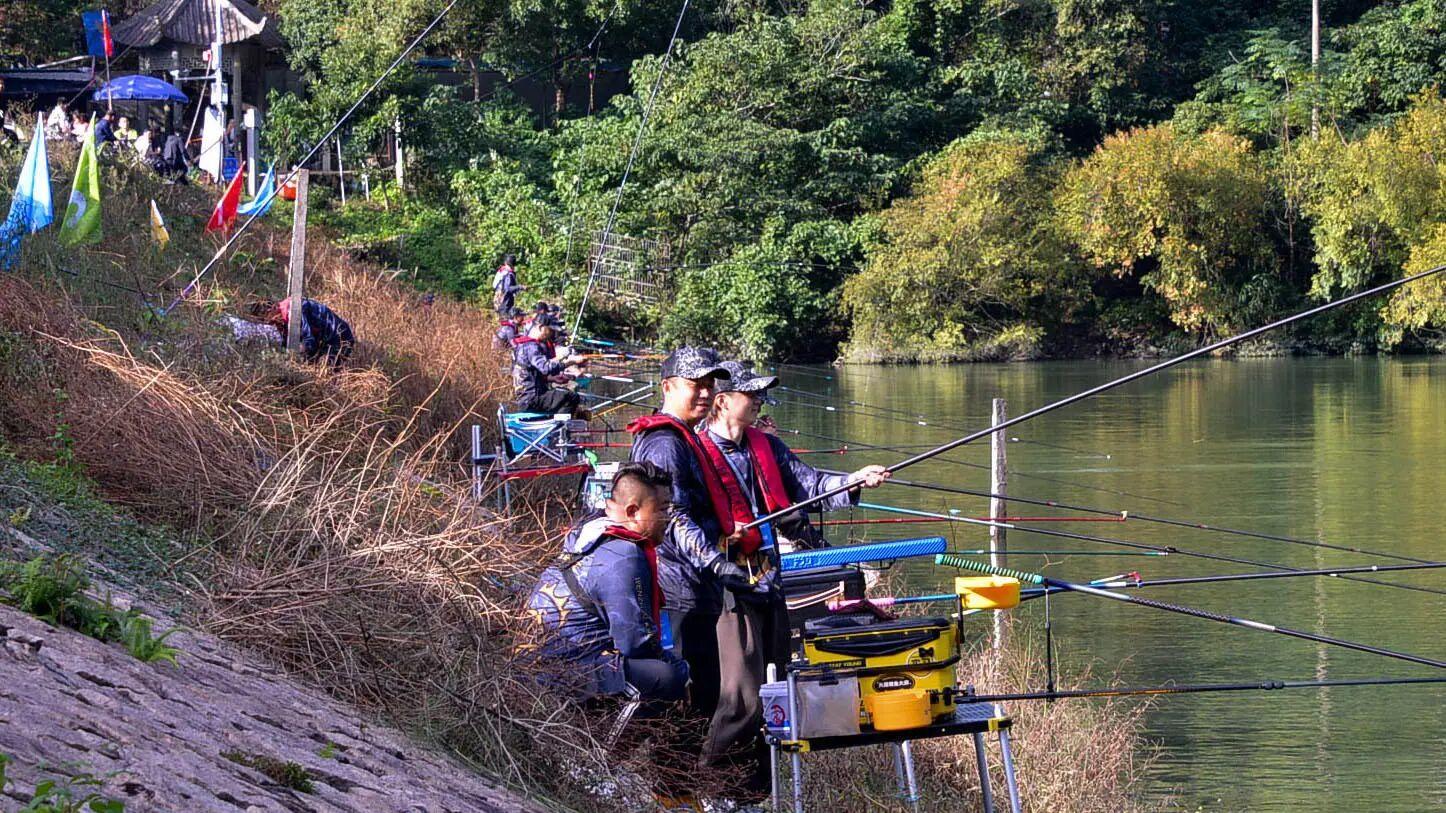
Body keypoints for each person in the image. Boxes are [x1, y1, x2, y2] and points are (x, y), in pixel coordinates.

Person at [694, 360, 890, 795]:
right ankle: (705, 789)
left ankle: (754, 794)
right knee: (742, 697)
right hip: (728, 584)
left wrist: (855, 480)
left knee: (776, 688)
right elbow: (684, 520)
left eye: (761, 394)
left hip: (769, 578)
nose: (760, 401)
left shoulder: (766, 445)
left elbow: (810, 484)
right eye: (752, 394)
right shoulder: (697, 452)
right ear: (722, 401)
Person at [626, 348, 774, 793]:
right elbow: (672, 517)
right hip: (679, 590)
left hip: (694, 586)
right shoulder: (666, 442)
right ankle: (673, 793)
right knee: (693, 697)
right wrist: (718, 563)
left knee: (704, 695)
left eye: (711, 385)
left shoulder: (683, 437)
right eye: (696, 384)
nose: (706, 393)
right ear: (668, 386)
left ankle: (683, 791)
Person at [525, 462, 689, 705]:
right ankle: (632, 731)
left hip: (537, 667)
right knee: (665, 677)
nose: (668, 519)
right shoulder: (623, 555)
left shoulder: (589, 532)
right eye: (663, 509)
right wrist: (680, 669)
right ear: (633, 511)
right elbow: (634, 643)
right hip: (564, 672)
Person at [249, 298, 356, 369]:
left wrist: (296, 360)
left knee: (327, 374)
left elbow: (309, 341)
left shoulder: (293, 311)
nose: (268, 323)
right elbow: (286, 344)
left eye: (266, 319)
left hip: (339, 337)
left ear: (272, 308)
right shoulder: (281, 319)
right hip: (325, 339)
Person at [511, 323, 587, 414]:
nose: (551, 334)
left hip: (526, 397)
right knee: (572, 397)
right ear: (540, 327)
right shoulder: (531, 346)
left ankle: (556, 419)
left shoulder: (523, 345)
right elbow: (545, 367)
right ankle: (560, 422)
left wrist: (552, 379)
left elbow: (531, 373)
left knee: (564, 394)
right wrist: (571, 362)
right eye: (549, 330)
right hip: (532, 398)